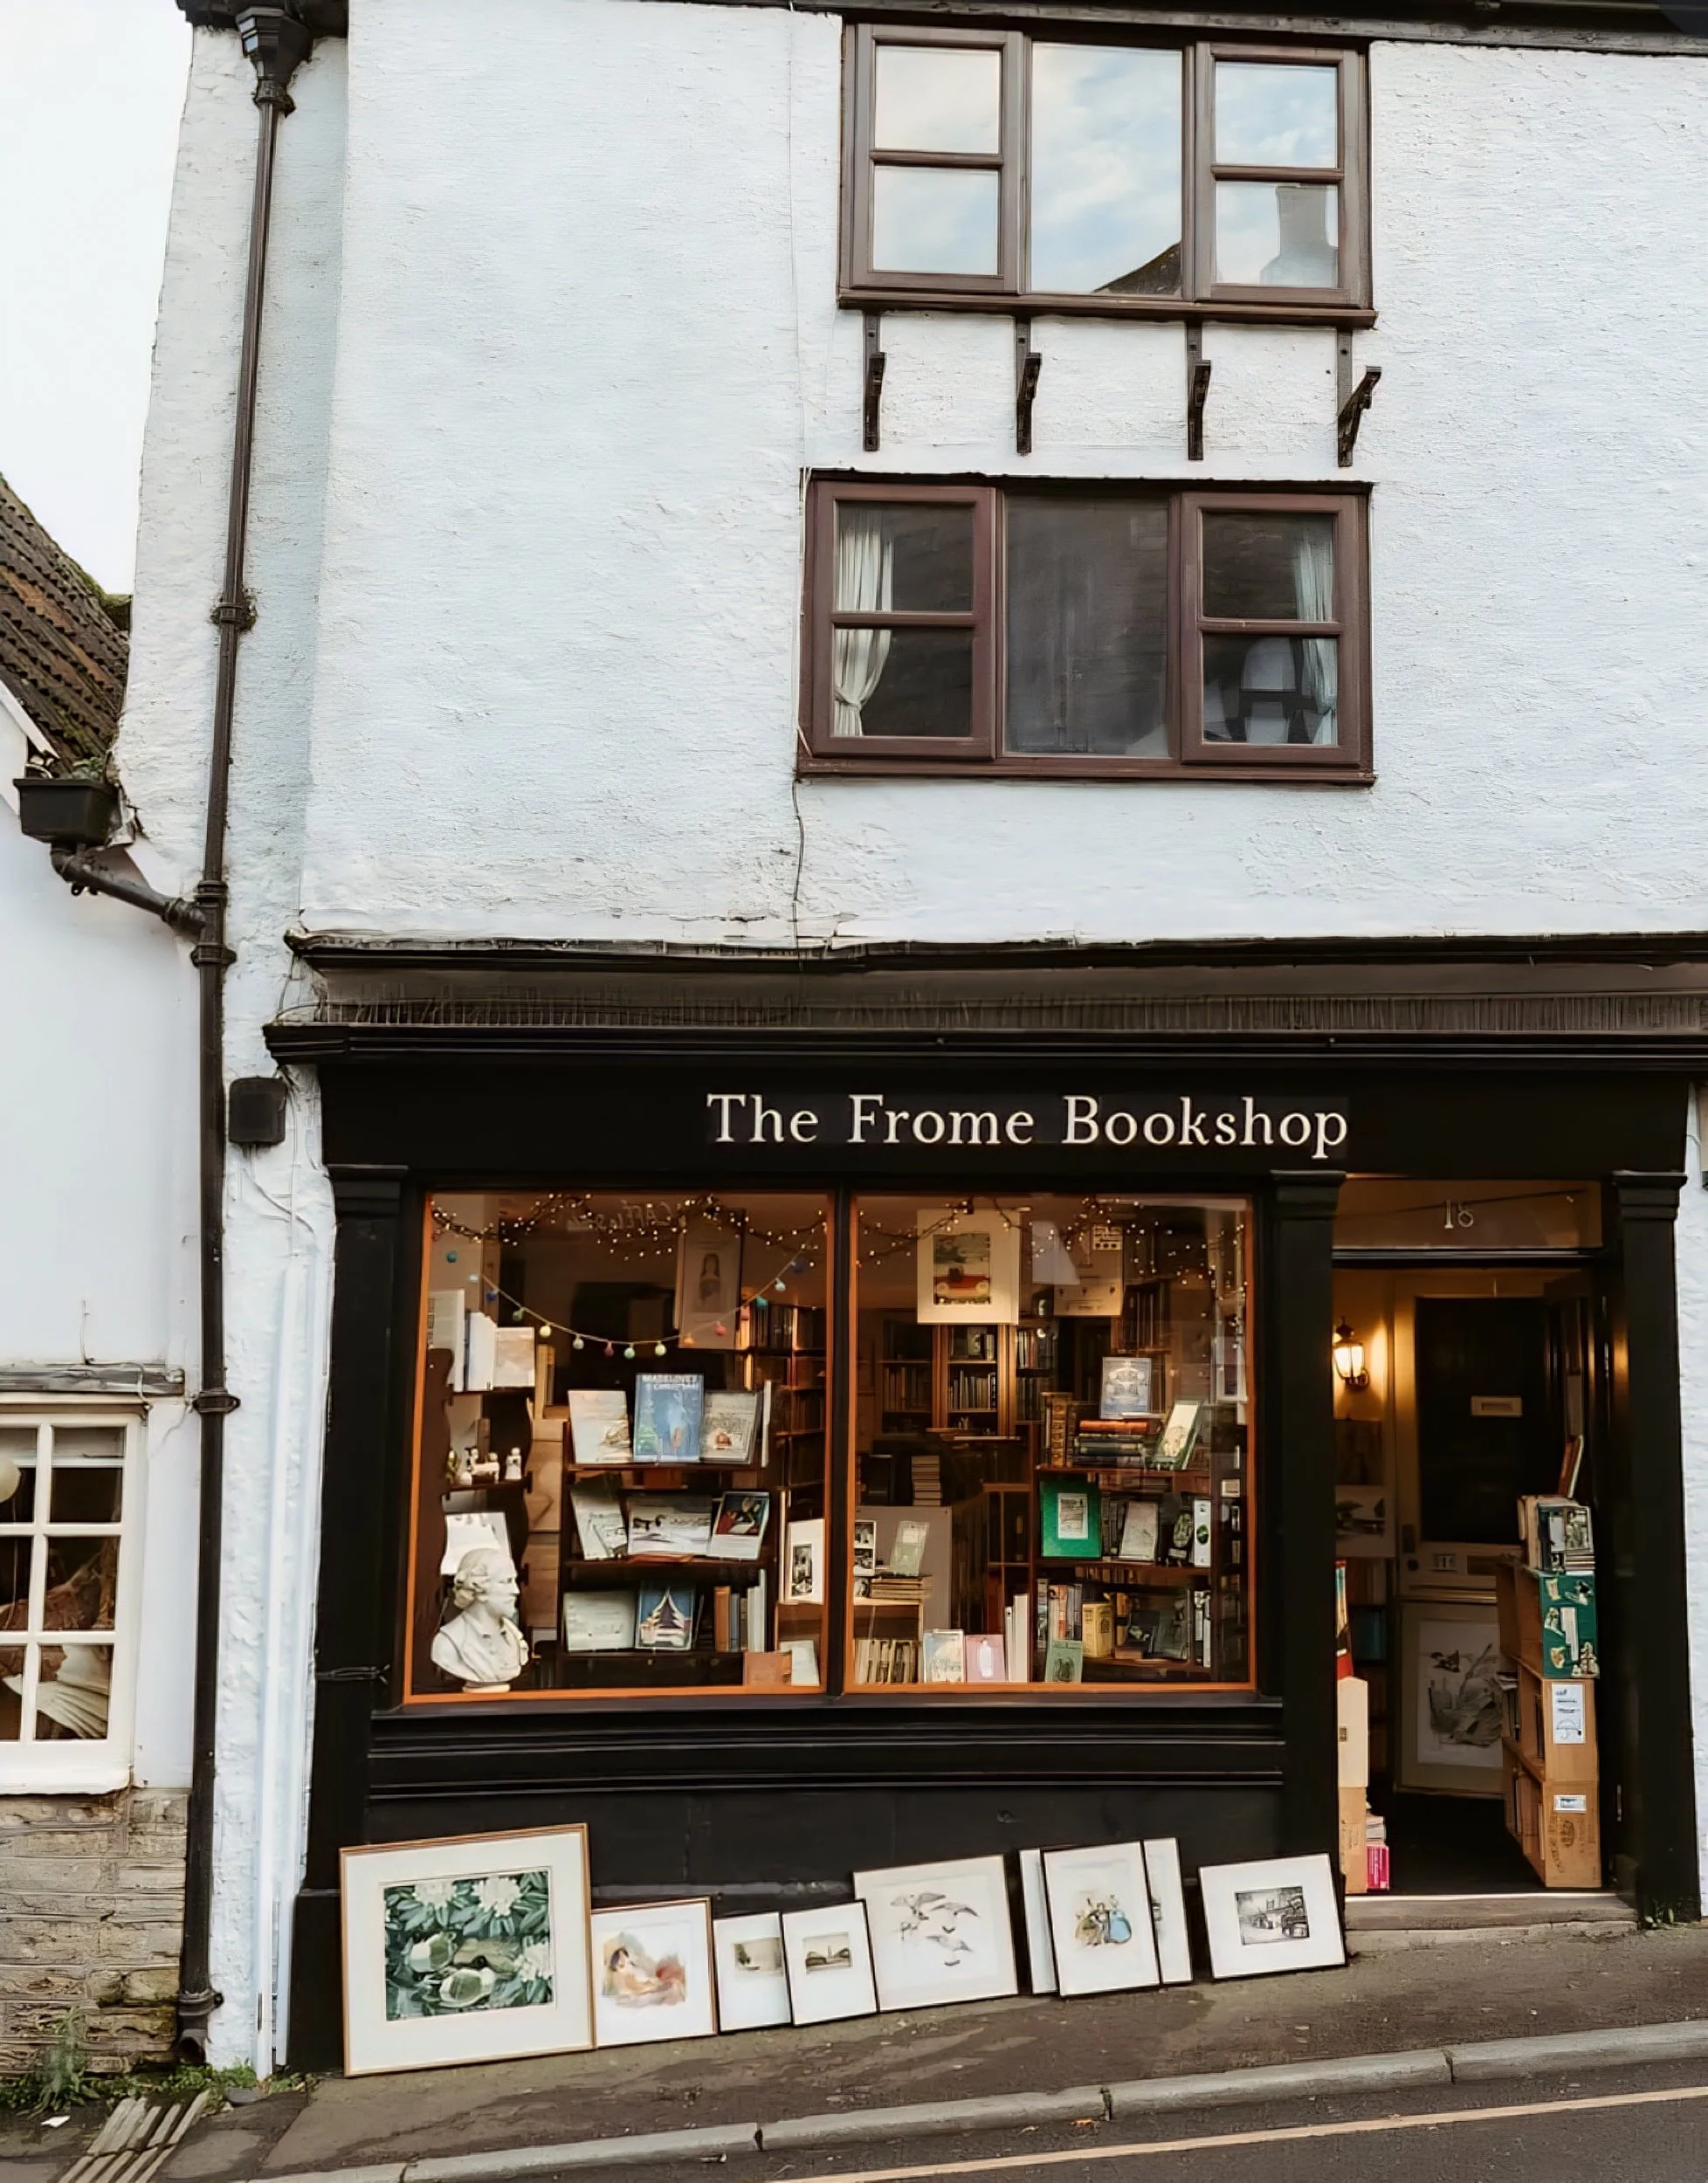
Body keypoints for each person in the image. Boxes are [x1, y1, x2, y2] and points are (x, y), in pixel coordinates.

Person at [431, 1546, 529, 1690]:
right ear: (478, 1588)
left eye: (514, 1581)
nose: (516, 1591)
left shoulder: (514, 1637)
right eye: (506, 1581)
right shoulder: (448, 1643)